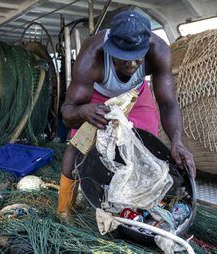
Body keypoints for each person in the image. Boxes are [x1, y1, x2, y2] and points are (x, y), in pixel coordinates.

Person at [57, 10, 195, 216]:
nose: (131, 66)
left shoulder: (158, 51)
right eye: (123, 59)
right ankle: (64, 209)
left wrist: (177, 141)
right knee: (78, 148)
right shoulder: (91, 55)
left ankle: (134, 202)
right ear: (110, 48)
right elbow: (67, 114)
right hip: (96, 97)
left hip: (136, 94)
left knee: (146, 144)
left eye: (137, 59)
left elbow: (168, 104)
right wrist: (84, 111)